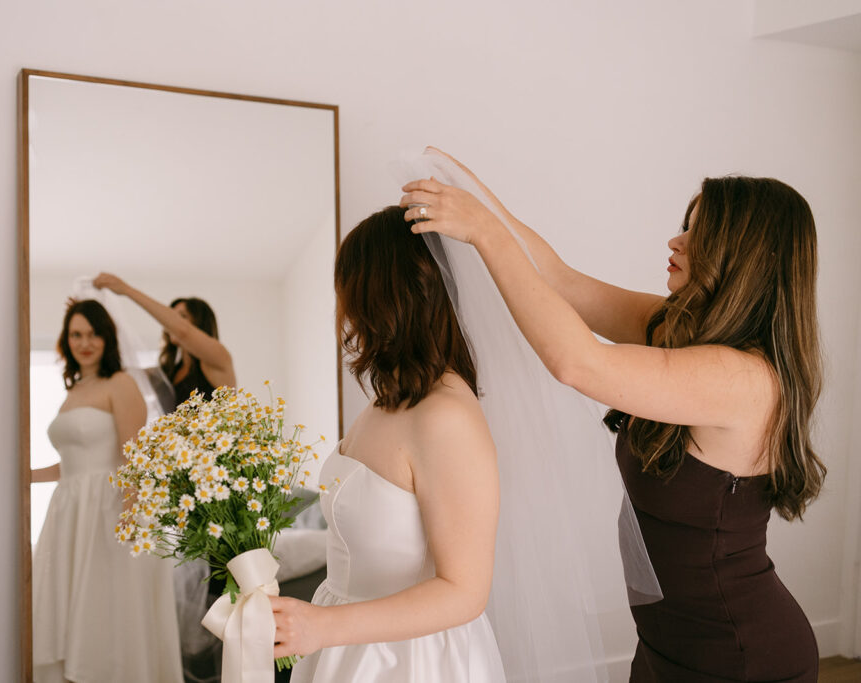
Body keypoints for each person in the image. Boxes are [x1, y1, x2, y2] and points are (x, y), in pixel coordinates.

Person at [401, 148, 824, 682]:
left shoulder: (744, 380)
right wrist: (474, 197)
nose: (676, 241)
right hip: (666, 647)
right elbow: (561, 281)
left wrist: (485, 231)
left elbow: (576, 363)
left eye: (699, 234)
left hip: (738, 657)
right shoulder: (679, 331)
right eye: (683, 227)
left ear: (741, 255)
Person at [268, 205, 505, 682]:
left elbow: (465, 591)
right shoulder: (386, 402)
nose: (340, 307)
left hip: (410, 662)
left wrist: (324, 627)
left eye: (345, 289)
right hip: (348, 648)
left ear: (377, 294)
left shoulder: (447, 416)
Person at [31, 299, 183, 683]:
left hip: (110, 510)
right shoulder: (75, 390)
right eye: (77, 334)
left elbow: (132, 456)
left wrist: (129, 518)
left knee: (109, 613)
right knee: (69, 609)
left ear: (107, 338)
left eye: (94, 333)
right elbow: (73, 465)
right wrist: (24, 477)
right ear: (66, 340)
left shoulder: (121, 383)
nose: (85, 342)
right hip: (69, 509)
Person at [93, 273, 235, 409]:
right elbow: (125, 372)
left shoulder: (218, 359)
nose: (170, 325)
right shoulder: (169, 372)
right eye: (171, 317)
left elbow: (183, 331)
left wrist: (126, 290)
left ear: (199, 323)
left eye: (181, 316)